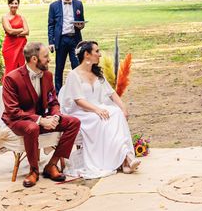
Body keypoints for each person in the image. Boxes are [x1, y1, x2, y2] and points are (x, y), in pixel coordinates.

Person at [1, 42, 81, 188]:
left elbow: (53, 102)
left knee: (74, 122)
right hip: (18, 121)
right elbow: (13, 111)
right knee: (32, 128)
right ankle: (33, 171)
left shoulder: (48, 76)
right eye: (45, 57)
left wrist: (55, 116)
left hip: (40, 119)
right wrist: (40, 120)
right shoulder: (12, 78)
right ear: (34, 59)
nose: (49, 60)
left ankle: (51, 165)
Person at [58, 40, 140, 178]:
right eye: (97, 51)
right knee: (102, 118)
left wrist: (123, 107)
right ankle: (125, 159)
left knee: (116, 113)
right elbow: (79, 101)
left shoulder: (97, 74)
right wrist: (96, 110)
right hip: (81, 112)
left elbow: (112, 93)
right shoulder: (74, 75)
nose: (100, 55)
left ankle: (126, 157)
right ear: (87, 55)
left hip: (97, 108)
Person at [48, 0, 86, 93]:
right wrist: (51, 42)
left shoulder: (78, 4)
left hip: (75, 39)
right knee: (59, 67)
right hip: (61, 40)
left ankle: (78, 91)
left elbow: (81, 21)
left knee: (77, 66)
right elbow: (51, 25)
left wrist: (81, 26)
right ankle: (58, 93)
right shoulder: (54, 6)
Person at [1, 0, 29, 78]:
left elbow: (27, 31)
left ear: (18, 5)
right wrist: (21, 29)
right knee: (10, 68)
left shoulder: (21, 17)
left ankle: (20, 87)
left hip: (20, 46)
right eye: (12, 3)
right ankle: (8, 87)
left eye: (16, 3)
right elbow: (9, 31)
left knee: (21, 67)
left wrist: (16, 33)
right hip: (9, 46)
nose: (14, 5)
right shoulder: (5, 17)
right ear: (8, 5)